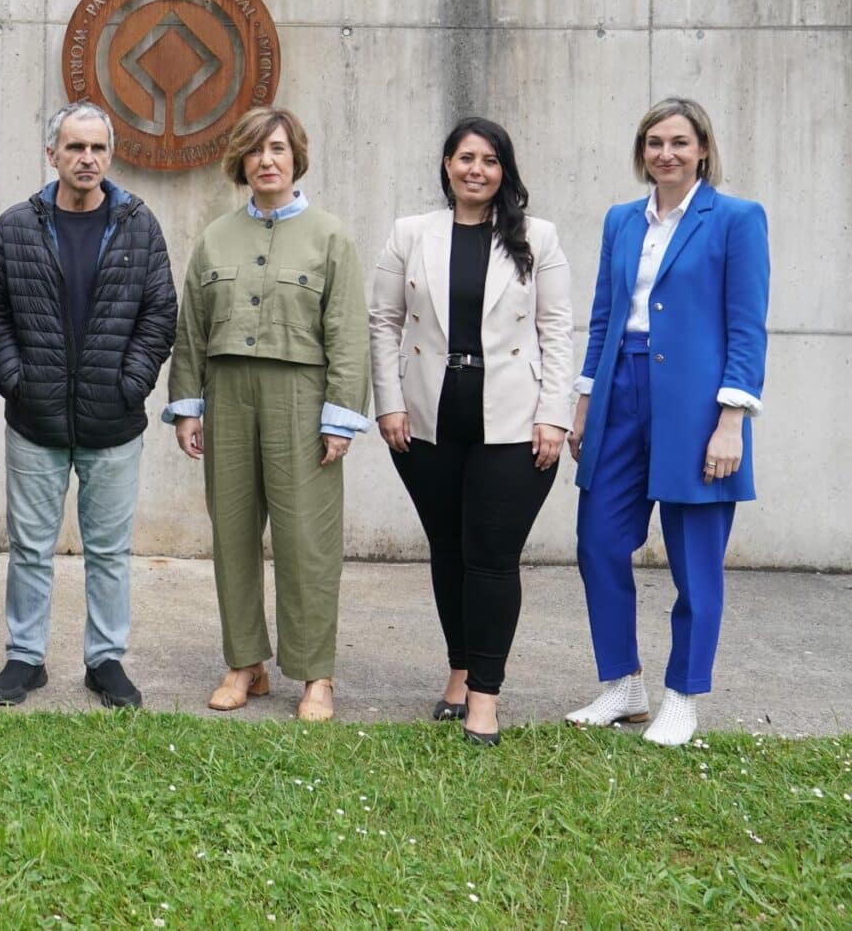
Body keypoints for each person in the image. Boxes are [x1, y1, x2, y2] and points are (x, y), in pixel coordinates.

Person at [566, 97, 769, 746]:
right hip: (619, 393)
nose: (666, 153)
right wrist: (584, 404)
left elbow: (747, 327)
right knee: (598, 541)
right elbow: (604, 316)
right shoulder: (621, 220)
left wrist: (731, 420)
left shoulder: (736, 219)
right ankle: (623, 683)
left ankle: (682, 695)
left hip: (696, 406)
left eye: (679, 142)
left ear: (702, 148)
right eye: (655, 142)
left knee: (694, 561)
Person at [367, 118, 573, 744]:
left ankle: (485, 695)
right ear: (447, 165)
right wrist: (389, 403)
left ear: (504, 170)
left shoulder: (537, 237)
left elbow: (557, 329)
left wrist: (554, 415)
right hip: (429, 414)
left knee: (491, 556)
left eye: (488, 159)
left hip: (514, 418)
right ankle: (458, 671)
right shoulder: (410, 233)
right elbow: (383, 321)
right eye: (465, 158)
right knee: (448, 549)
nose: (475, 169)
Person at [166, 106, 369, 722]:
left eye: (277, 148)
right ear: (241, 161)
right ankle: (245, 663)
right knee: (232, 533)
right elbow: (191, 330)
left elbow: (348, 333)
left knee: (306, 538)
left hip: (301, 398)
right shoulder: (215, 236)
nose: (267, 161)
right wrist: (187, 407)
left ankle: (315, 674)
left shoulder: (330, 236)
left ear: (295, 156)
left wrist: (339, 417)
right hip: (228, 393)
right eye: (255, 150)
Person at [0, 102, 177, 710]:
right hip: (35, 418)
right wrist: (15, 379)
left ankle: (105, 660)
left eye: (97, 148)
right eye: (74, 147)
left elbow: (159, 313)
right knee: (30, 547)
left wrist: (131, 382)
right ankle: (25, 657)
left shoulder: (139, 225)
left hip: (113, 421)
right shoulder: (17, 226)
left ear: (110, 155)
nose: (86, 158)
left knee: (110, 551)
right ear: (53, 154)